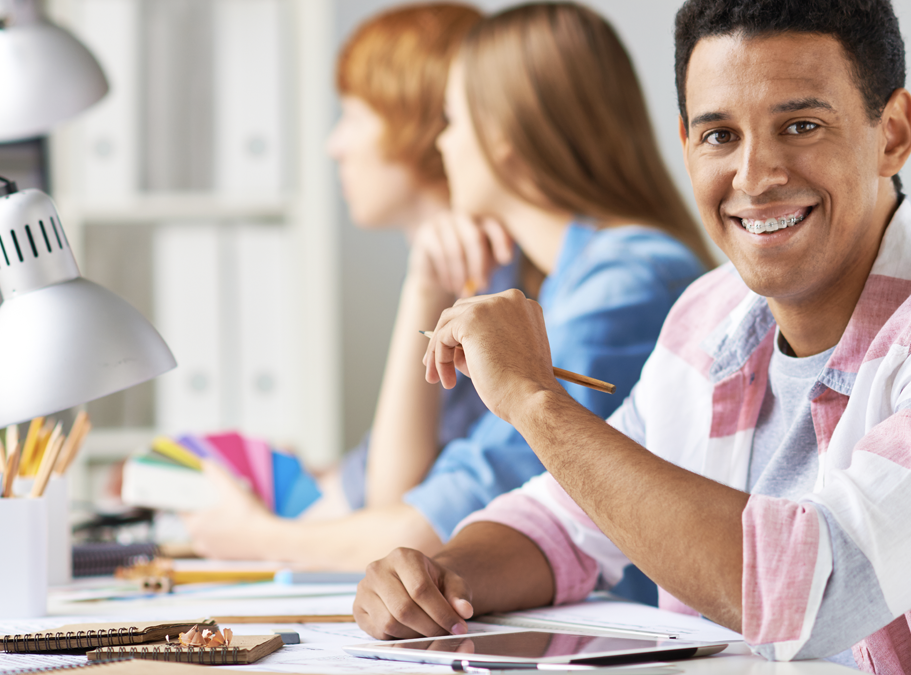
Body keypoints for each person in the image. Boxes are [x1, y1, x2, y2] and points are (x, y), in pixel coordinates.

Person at [352, 0, 911, 673]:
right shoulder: (709, 317)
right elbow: (563, 521)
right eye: (720, 135)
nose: (756, 175)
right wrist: (438, 578)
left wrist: (532, 398)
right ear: (685, 145)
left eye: (802, 125)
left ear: (893, 134)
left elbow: (815, 588)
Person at [182, 1, 712, 573]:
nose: (442, 145)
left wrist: (254, 536)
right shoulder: (571, 282)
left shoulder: (622, 282)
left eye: (453, 121)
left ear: (502, 133)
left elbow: (432, 522)